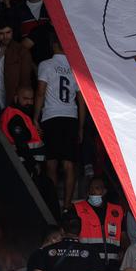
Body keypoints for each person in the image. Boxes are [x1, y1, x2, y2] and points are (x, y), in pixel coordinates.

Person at [37, 36, 85, 210]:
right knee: (68, 163)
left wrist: (35, 118)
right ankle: (66, 206)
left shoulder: (46, 65)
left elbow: (41, 92)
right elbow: (81, 100)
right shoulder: (75, 68)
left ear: (53, 44)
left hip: (51, 117)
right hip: (70, 118)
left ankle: (52, 207)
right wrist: (80, 127)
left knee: (51, 162)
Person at [73, 177, 126, 271]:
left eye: (97, 188)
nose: (93, 191)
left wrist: (124, 250)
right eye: (91, 188)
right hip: (88, 261)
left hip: (112, 263)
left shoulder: (117, 210)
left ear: (104, 191)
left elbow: (123, 235)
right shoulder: (77, 208)